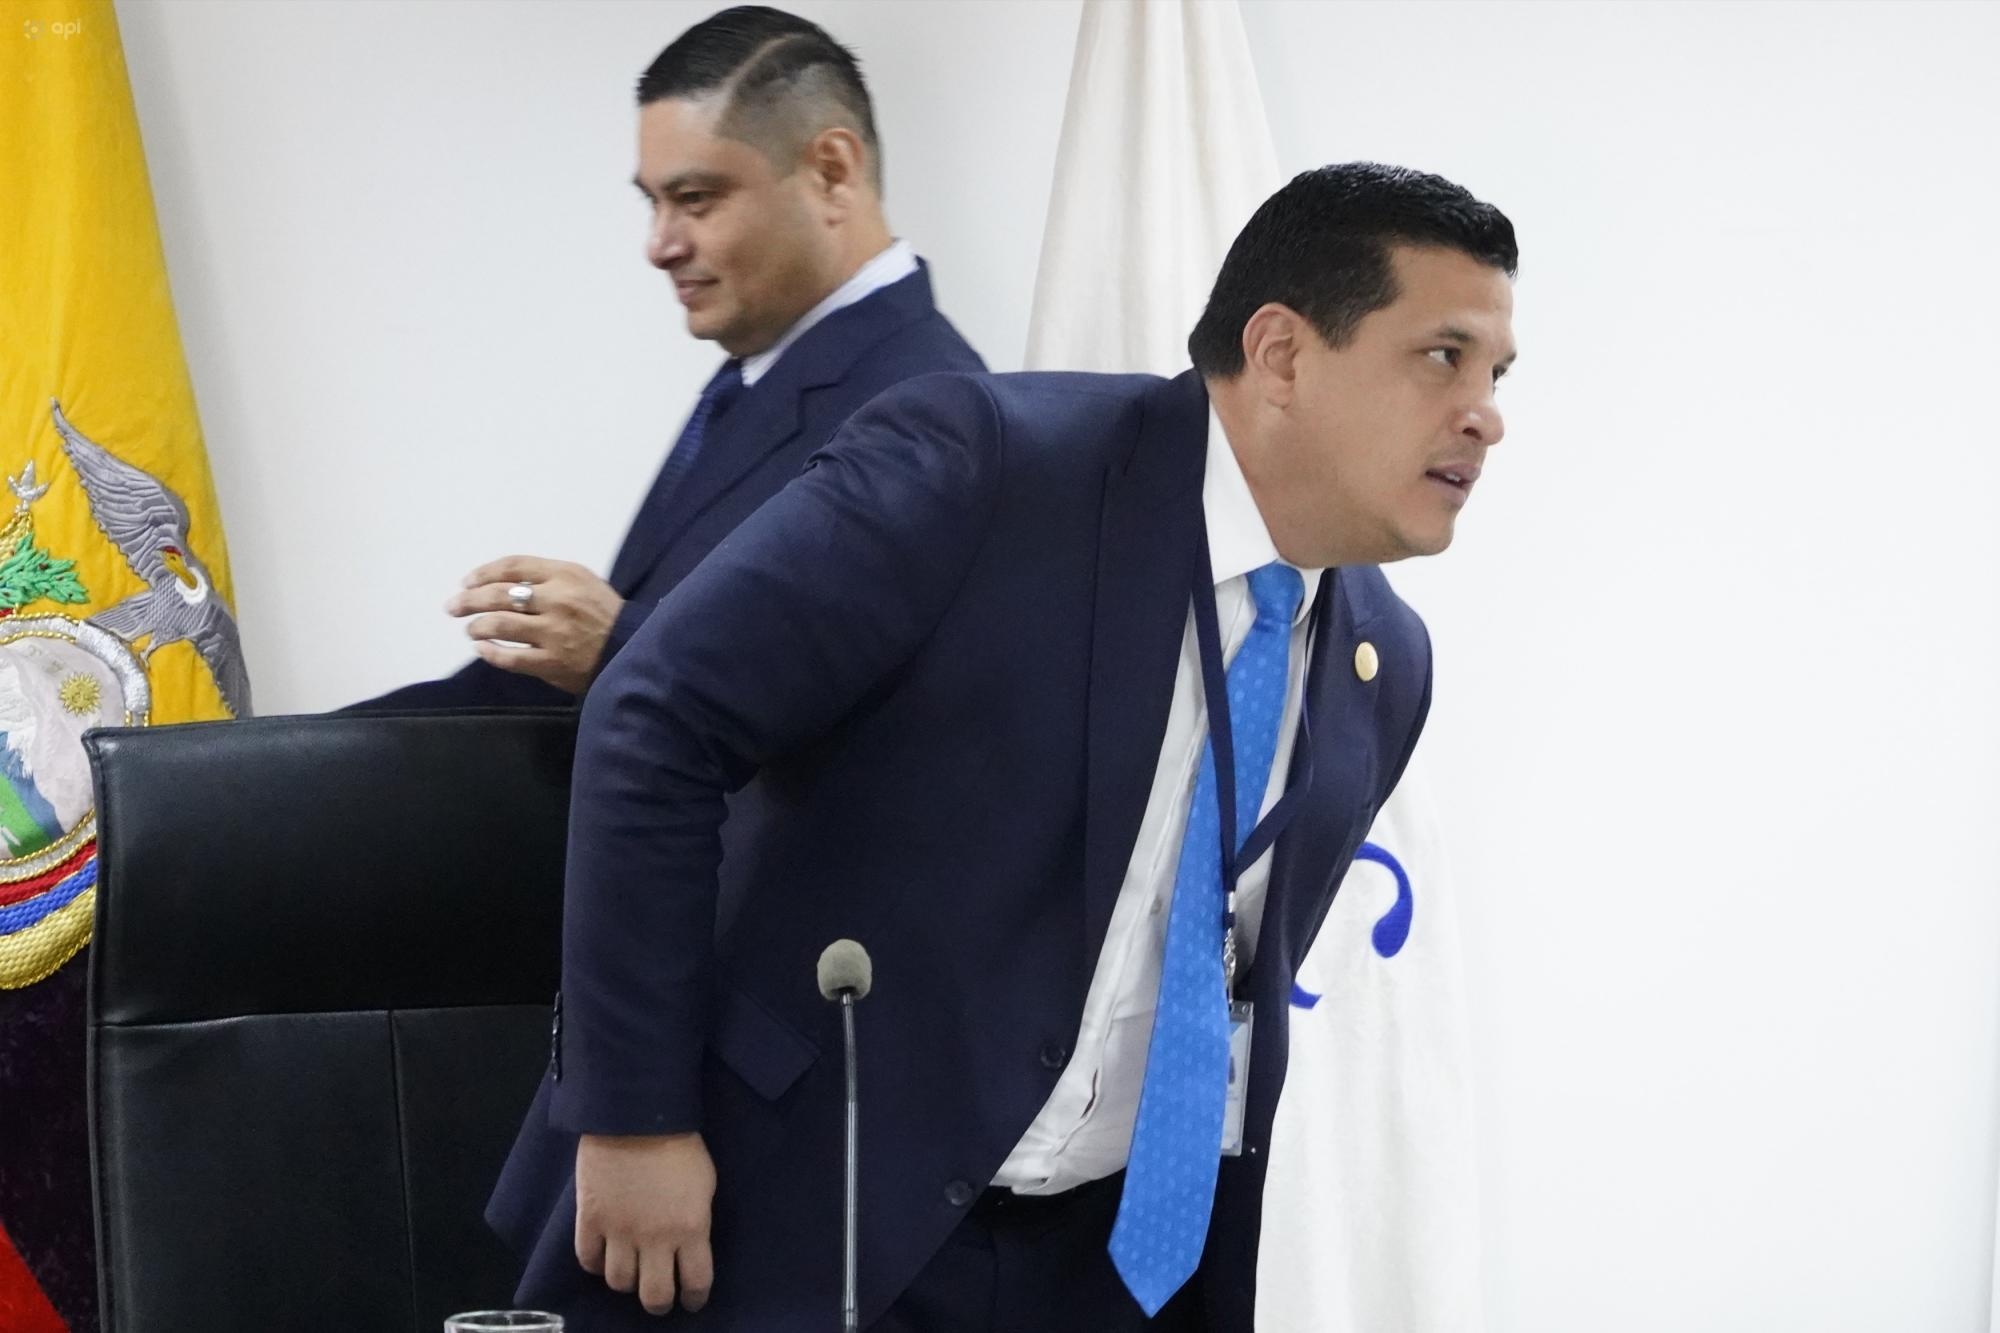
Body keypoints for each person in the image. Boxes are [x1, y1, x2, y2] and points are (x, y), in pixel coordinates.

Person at [487, 163, 1520, 1332]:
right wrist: (635, 1117)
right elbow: (657, 717)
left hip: (1098, 1269)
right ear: (1279, 352)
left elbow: (1215, 979)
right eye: (1442, 356)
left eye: (1495, 374)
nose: (1483, 413)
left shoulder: (1384, 663)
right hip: (783, 1205)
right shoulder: (988, 464)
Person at [360, 6, 983, 710]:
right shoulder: (758, 374)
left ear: (832, 174)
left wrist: (614, 643)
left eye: (695, 199)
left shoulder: (925, 406)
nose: (659, 246)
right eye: (654, 202)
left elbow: (850, 714)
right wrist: (280, 757)